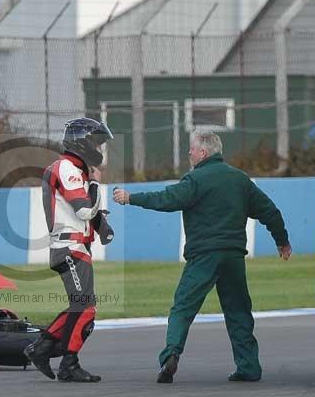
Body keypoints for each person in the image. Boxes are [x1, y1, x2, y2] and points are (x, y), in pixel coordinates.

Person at [112, 130, 291, 384]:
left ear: (203, 153)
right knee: (239, 311)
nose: (189, 154)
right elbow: (270, 211)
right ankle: (249, 366)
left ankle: (170, 354)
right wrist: (282, 241)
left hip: (204, 255)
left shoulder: (195, 179)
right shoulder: (240, 180)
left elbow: (167, 199)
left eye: (191, 150)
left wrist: (131, 198)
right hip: (233, 256)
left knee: (183, 306)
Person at [24, 117, 113, 383]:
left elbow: (87, 212)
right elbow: (84, 208)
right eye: (97, 142)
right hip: (69, 247)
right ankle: (67, 363)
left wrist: (101, 226)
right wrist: (96, 184)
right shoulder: (68, 169)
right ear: (83, 142)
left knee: (82, 307)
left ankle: (41, 349)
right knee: (85, 308)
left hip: (76, 247)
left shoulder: (76, 168)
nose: (99, 149)